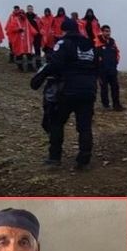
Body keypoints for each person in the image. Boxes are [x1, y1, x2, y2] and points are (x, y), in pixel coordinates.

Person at [31, 18, 100, 169]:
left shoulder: (63, 43)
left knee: (56, 123)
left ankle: (54, 158)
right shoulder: (90, 45)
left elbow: (55, 63)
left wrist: (38, 79)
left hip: (67, 89)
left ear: (64, 30)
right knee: (85, 127)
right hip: (88, 90)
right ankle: (84, 161)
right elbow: (97, 65)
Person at [96, 25, 124, 111]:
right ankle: (106, 105)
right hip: (102, 69)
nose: (108, 33)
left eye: (109, 31)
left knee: (115, 87)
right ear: (102, 32)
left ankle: (116, 104)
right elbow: (95, 55)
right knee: (104, 88)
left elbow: (117, 52)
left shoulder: (112, 42)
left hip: (112, 68)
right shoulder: (97, 42)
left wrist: (116, 62)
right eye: (106, 31)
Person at [6, 6, 38, 71]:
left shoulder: (26, 21)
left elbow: (31, 28)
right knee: (19, 54)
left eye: (23, 14)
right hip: (19, 41)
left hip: (26, 41)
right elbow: (10, 29)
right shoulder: (15, 20)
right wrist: (18, 29)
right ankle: (20, 68)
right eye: (21, 14)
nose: (22, 15)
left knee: (29, 54)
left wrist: (36, 33)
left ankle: (30, 67)